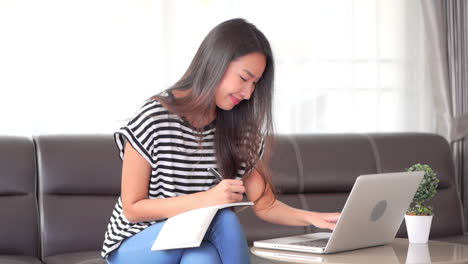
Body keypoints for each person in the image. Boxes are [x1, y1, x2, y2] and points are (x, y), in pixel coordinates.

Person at [101, 18, 340, 264]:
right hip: (136, 244)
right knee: (221, 216)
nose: (248, 93)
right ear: (216, 63)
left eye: (255, 83)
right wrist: (208, 199)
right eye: (244, 78)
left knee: (202, 257)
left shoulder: (241, 131)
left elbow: (265, 205)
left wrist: (314, 219)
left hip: (195, 241)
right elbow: (132, 208)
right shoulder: (154, 117)